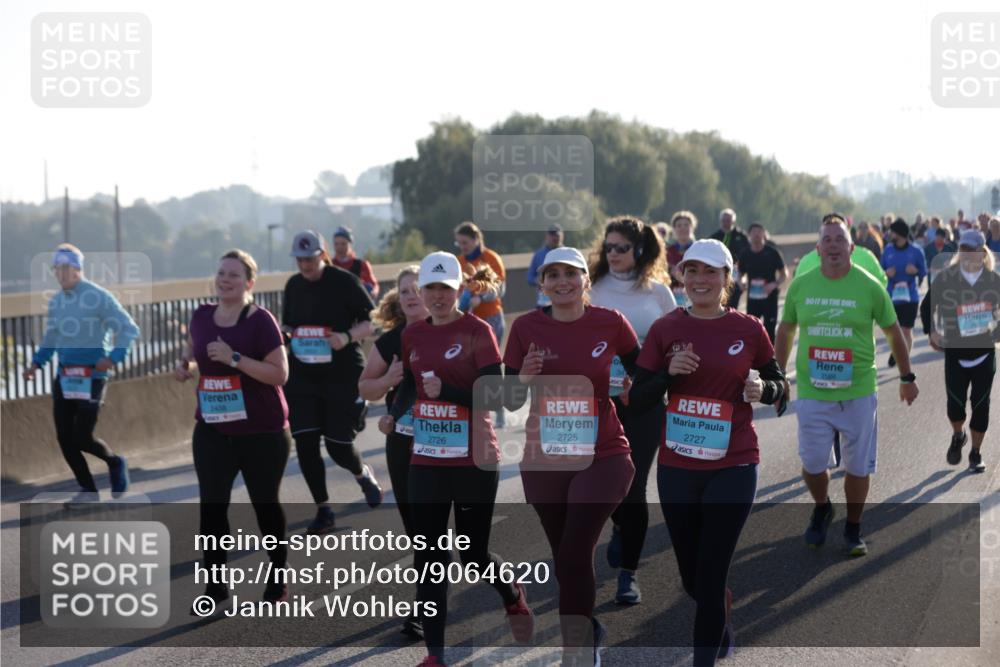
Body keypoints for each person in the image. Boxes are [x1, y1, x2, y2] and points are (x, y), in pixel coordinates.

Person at [630, 238, 787, 665]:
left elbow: (781, 386)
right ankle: (720, 609)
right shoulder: (665, 329)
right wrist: (667, 374)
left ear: (727, 278)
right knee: (693, 580)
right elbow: (638, 400)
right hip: (678, 466)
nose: (700, 280)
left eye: (710, 272)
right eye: (692, 270)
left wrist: (764, 388)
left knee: (712, 573)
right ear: (681, 275)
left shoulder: (748, 329)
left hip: (734, 463)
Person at [384, 251, 532, 667]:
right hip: (427, 460)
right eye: (430, 288)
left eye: (445, 288)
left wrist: (446, 392)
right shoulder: (413, 335)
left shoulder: (477, 331)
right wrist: (395, 413)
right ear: (420, 292)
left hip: (473, 460)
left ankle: (511, 593)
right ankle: (435, 655)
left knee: (474, 557)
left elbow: (495, 396)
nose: (437, 296)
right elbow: (411, 386)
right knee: (430, 558)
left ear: (459, 289)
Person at [503, 245, 640, 665]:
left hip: (604, 452)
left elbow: (640, 370)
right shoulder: (525, 327)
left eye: (571, 273)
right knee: (566, 559)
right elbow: (508, 400)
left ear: (585, 280)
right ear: (542, 284)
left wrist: (633, 386)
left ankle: (576, 651)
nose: (562, 282)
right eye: (553, 275)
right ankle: (589, 628)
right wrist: (523, 377)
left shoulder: (611, 322)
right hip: (545, 457)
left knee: (576, 551)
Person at [775, 215, 919, 558]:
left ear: (852, 247)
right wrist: (779, 377)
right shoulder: (801, 285)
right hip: (813, 391)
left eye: (840, 239)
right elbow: (786, 329)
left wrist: (906, 377)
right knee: (813, 464)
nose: (833, 246)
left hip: (858, 392)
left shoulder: (869, 286)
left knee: (857, 467)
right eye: (827, 240)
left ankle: (853, 527)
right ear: (817, 248)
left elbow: (893, 331)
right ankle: (822, 506)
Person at [174, 249, 293, 607]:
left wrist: (235, 359)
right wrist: (186, 364)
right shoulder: (201, 315)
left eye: (234, 275)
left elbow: (280, 374)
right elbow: (193, 345)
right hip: (212, 429)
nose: (225, 280)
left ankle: (278, 577)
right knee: (212, 508)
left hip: (262, 431)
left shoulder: (261, 321)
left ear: (249, 283)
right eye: (222, 273)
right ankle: (215, 587)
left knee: (265, 506)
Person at [588, 215, 676, 605]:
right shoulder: (591, 289)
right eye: (609, 247)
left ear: (639, 249)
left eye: (621, 247)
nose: (613, 254)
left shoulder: (658, 293)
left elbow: (675, 341)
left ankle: (629, 573)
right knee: (603, 485)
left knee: (635, 486)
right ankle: (620, 525)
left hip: (644, 401)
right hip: (598, 402)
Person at [283, 231, 383, 535]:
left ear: (322, 255)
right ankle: (323, 510)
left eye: (310, 259)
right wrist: (286, 334)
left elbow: (373, 320)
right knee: (306, 443)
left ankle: (361, 473)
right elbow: (289, 324)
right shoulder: (293, 285)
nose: (305, 264)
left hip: (342, 374)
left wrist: (346, 336)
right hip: (303, 376)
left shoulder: (344, 281)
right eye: (300, 259)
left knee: (338, 446)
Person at [23, 244, 140, 502]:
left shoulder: (98, 297)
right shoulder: (56, 301)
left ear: (78, 269)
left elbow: (129, 329)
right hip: (65, 377)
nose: (61, 274)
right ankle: (88, 489)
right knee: (65, 438)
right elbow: (51, 338)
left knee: (83, 437)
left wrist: (113, 358)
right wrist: (36, 364)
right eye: (57, 269)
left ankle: (115, 462)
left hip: (92, 377)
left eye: (66, 268)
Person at [360, 265, 428, 639]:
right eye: (405, 291)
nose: (412, 295)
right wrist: (388, 379)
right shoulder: (391, 342)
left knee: (450, 535)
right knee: (418, 529)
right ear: (398, 300)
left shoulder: (456, 331)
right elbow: (365, 388)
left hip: (450, 442)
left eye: (418, 288)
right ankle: (426, 604)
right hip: (402, 442)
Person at [922, 230, 1000, 472]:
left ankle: (976, 453)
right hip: (955, 353)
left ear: (982, 252)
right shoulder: (947, 278)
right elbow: (927, 305)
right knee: (955, 407)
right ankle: (958, 435)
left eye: (971, 250)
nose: (966, 254)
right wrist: (932, 331)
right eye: (963, 249)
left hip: (984, 353)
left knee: (981, 406)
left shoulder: (993, 280)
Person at [454, 221, 508, 428]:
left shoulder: (491, 258)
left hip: (491, 318)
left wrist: (482, 298)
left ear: (476, 239)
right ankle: (475, 411)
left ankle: (499, 410)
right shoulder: (459, 262)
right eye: (459, 243)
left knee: (489, 365)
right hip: (468, 320)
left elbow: (500, 289)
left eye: (465, 242)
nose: (462, 247)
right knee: (470, 366)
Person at [881, 218, 928, 368]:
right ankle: (897, 352)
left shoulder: (916, 251)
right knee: (894, 331)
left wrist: (916, 271)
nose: (890, 234)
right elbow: (880, 271)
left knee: (906, 330)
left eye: (892, 232)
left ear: (900, 233)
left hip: (910, 298)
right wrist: (886, 273)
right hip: (892, 297)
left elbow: (924, 271)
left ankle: (903, 362)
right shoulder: (887, 250)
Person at [737, 223, 787, 342]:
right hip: (753, 299)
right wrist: (741, 282)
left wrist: (774, 284)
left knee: (769, 330)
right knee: (752, 328)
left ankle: (770, 352)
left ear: (764, 234)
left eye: (759, 231)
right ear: (749, 235)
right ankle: (754, 352)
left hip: (770, 298)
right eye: (754, 232)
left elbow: (784, 274)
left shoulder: (772, 252)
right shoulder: (745, 253)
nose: (756, 234)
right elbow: (740, 273)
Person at [710, 208, 750, 310]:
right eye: (724, 220)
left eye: (728, 220)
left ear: (733, 221)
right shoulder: (714, 237)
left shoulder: (741, 236)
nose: (726, 223)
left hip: (737, 273)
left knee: (733, 302)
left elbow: (748, 254)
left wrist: (744, 274)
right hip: (719, 272)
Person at [332, 226, 380, 298]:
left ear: (350, 244)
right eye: (336, 244)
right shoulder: (330, 265)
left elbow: (373, 286)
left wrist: (372, 292)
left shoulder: (361, 265)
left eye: (343, 244)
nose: (339, 247)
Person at [527, 224, 565, 308]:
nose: (555, 238)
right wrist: (536, 281)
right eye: (552, 235)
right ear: (547, 236)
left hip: (564, 301)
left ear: (562, 236)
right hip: (544, 302)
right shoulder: (539, 254)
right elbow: (530, 277)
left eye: (557, 235)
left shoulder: (568, 254)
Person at [667, 210, 698, 308]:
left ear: (692, 227)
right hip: (671, 298)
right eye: (679, 225)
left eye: (686, 225)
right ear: (674, 229)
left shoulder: (698, 250)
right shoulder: (667, 251)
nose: (682, 228)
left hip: (695, 296)